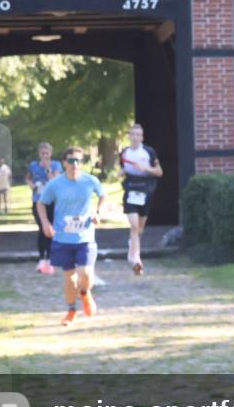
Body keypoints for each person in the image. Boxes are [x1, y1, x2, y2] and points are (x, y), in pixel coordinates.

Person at [37, 147, 106, 326]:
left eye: (78, 161)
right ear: (64, 163)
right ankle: (71, 310)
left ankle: (85, 293)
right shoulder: (55, 184)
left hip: (85, 237)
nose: (74, 164)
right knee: (70, 277)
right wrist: (45, 223)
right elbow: (41, 203)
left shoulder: (90, 181)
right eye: (70, 161)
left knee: (86, 272)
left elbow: (103, 195)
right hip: (63, 238)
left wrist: (98, 212)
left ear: (81, 163)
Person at [118, 123, 162, 276]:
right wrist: (121, 172)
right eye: (132, 134)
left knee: (139, 228)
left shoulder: (148, 152)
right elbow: (122, 167)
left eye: (138, 134)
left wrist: (146, 169)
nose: (135, 137)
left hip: (145, 190)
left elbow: (159, 172)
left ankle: (132, 246)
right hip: (130, 189)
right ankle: (137, 259)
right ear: (129, 136)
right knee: (134, 225)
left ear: (142, 137)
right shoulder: (124, 153)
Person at [26, 142, 63, 275]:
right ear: (39, 154)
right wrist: (31, 185)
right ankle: (42, 258)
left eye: (47, 153)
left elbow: (55, 181)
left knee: (51, 229)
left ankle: (51, 259)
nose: (45, 156)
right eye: (42, 154)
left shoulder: (56, 165)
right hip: (38, 200)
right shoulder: (33, 165)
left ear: (50, 154)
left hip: (52, 202)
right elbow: (28, 178)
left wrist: (48, 169)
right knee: (42, 229)